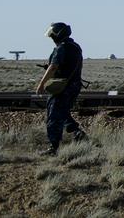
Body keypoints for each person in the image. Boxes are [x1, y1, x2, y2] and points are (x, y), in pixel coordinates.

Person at [35, 22, 86, 155]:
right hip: (74, 86)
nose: (52, 37)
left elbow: (53, 67)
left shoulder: (61, 48)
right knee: (62, 112)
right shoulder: (75, 46)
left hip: (62, 87)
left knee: (54, 115)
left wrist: (41, 83)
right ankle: (77, 133)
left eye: (53, 34)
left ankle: (53, 147)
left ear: (58, 34)